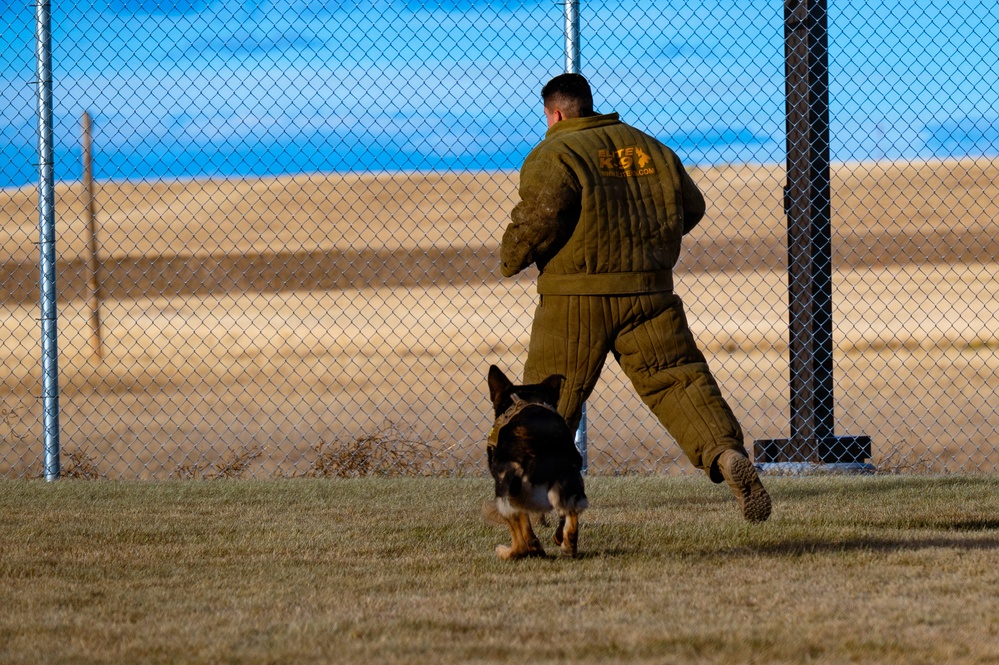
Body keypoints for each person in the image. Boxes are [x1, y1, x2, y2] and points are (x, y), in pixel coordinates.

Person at [500, 73, 771, 522]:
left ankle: (532, 502)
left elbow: (541, 216)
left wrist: (512, 255)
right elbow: (692, 208)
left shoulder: (556, 151)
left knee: (548, 399)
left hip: (576, 298)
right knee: (680, 382)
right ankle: (726, 455)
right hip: (650, 294)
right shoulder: (651, 148)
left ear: (555, 114)